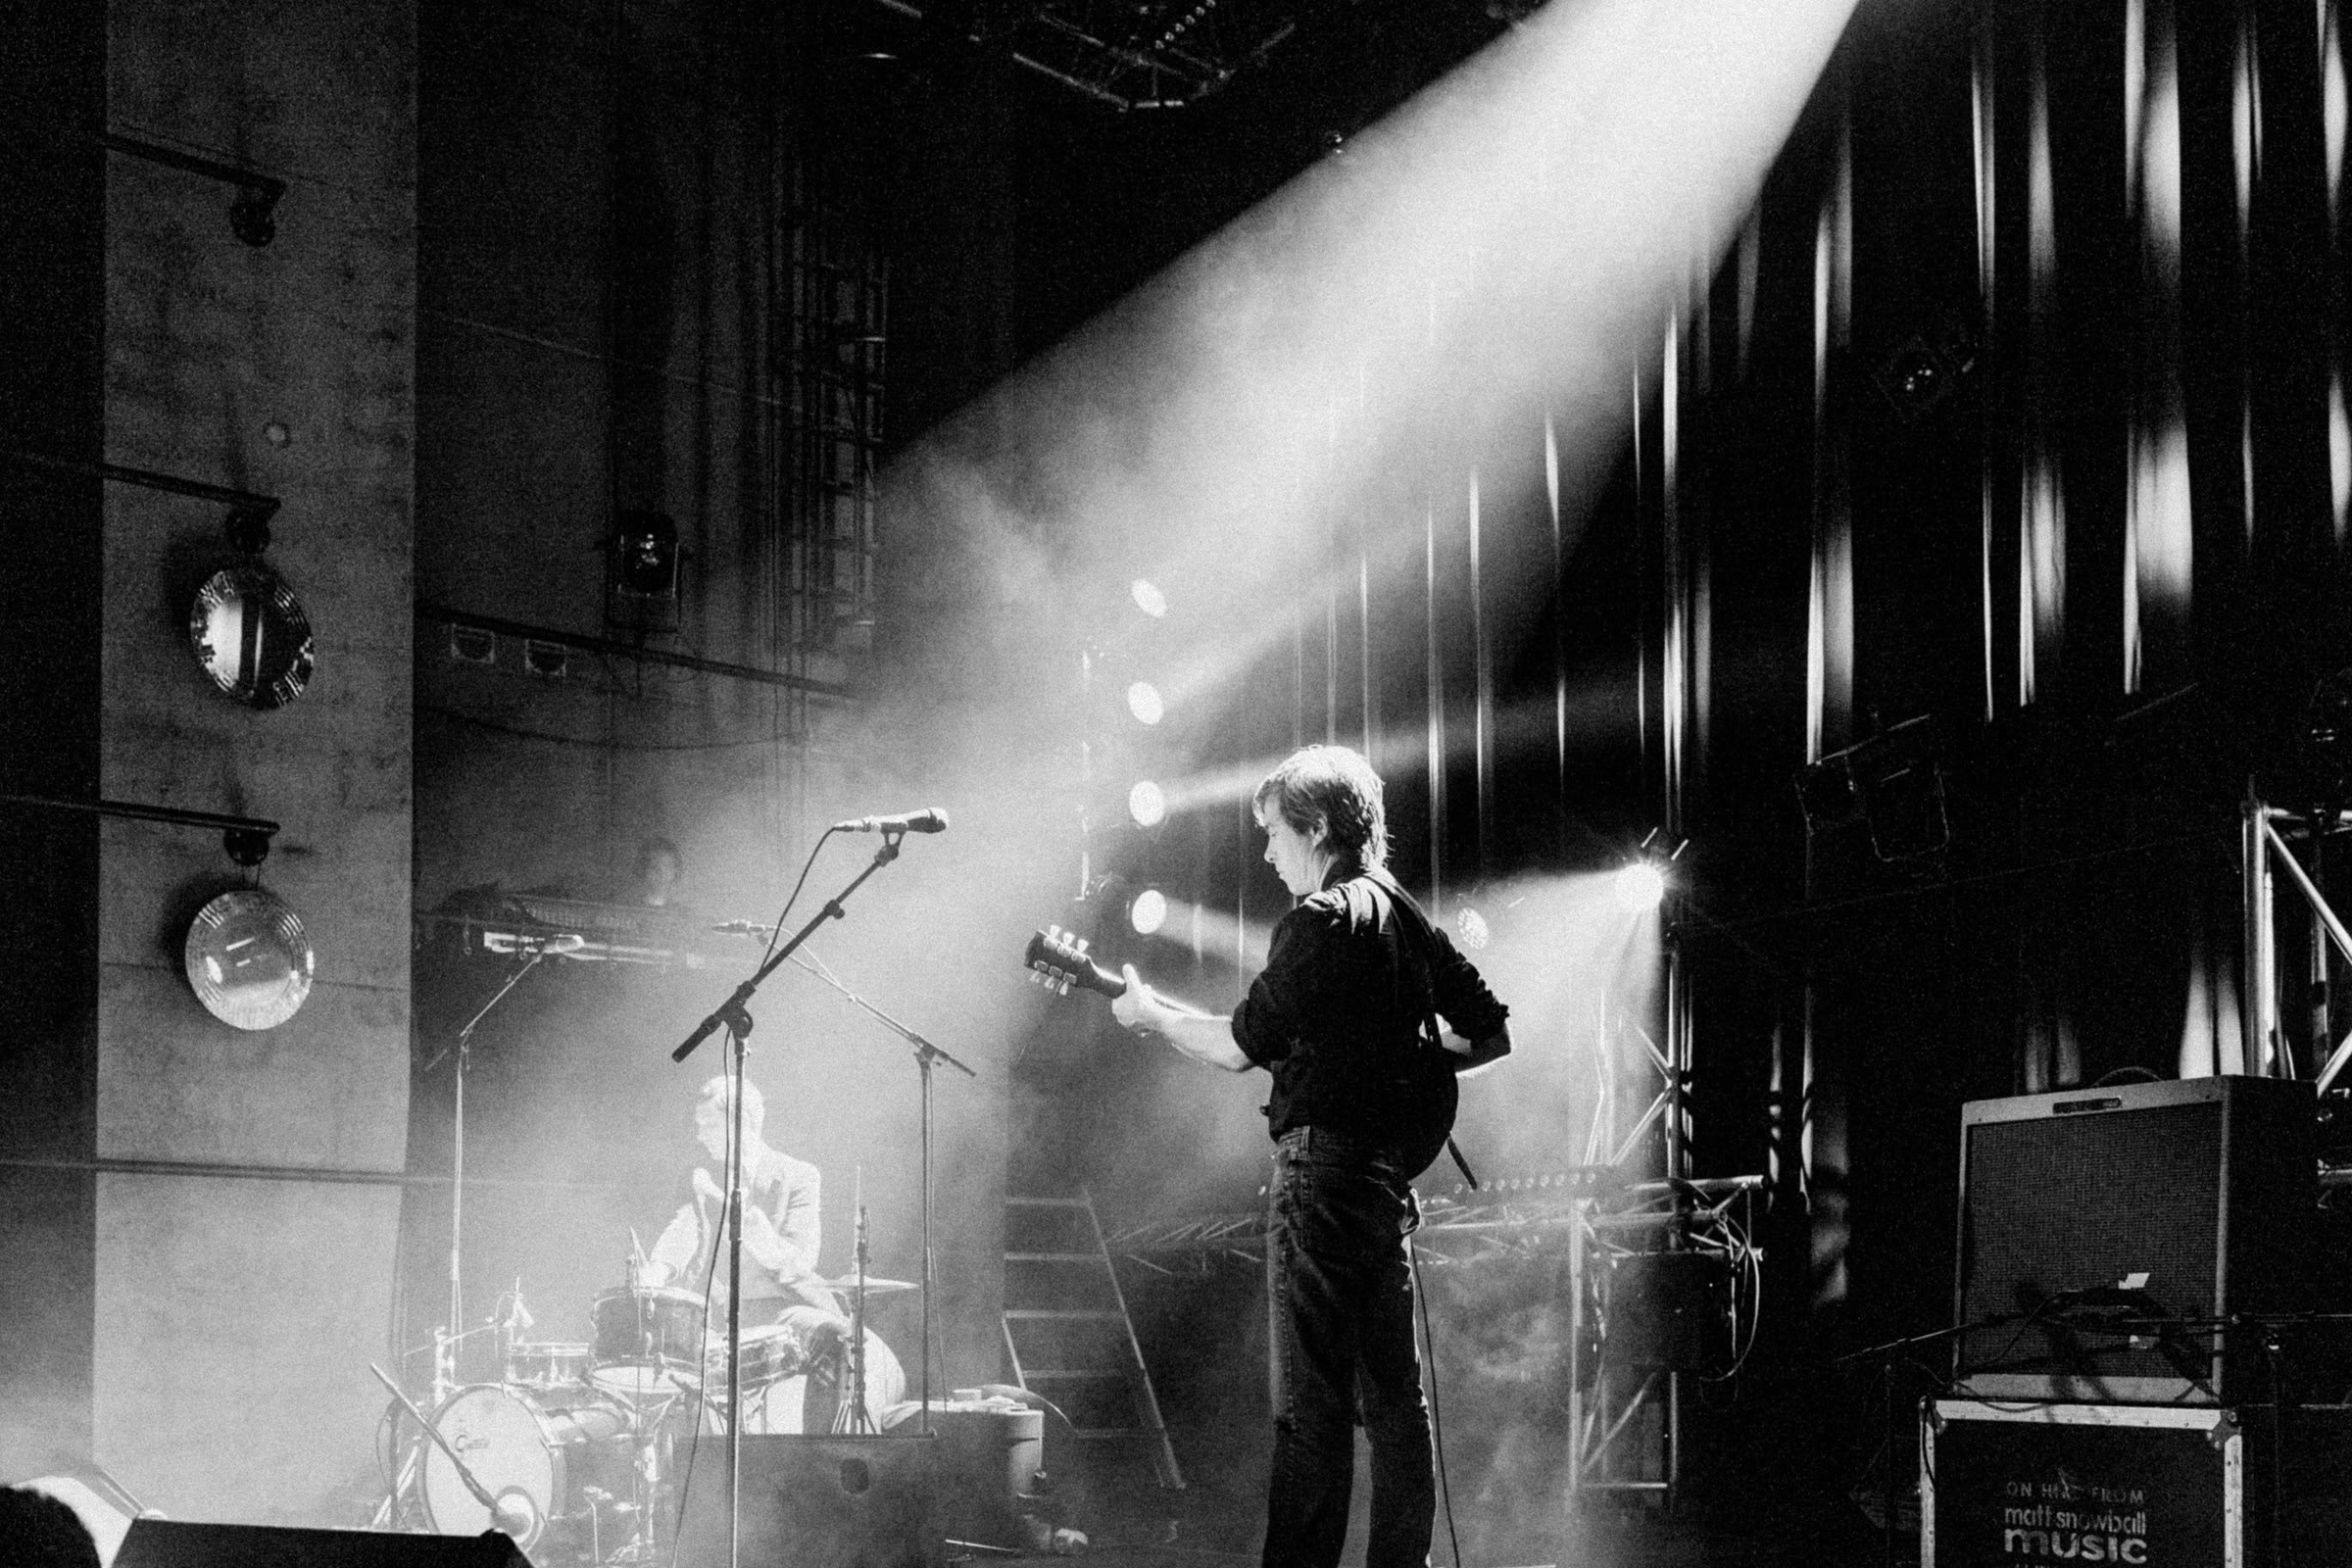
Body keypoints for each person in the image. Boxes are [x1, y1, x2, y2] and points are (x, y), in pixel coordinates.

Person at [1111, 744, 1511, 1568]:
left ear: (1319, 827)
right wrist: (1412, 1060)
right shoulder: (1405, 917)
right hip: (1381, 1187)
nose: (1265, 854)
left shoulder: (1317, 922)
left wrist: (1149, 1017)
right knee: (1397, 1404)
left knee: (1313, 1408)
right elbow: (1490, 1031)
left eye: (1273, 833)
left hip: (1319, 1180)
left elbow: (1232, 1050)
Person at [645, 1076, 848, 1432]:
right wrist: (657, 1271)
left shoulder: (799, 1176)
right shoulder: (704, 1177)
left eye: (707, 1124)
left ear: (741, 1123)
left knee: (836, 1336)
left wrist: (761, 1241)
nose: (699, 1135)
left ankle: (816, 1459)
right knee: (669, 1359)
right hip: (724, 1318)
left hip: (783, 1311)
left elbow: (802, 1260)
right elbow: (684, 1228)